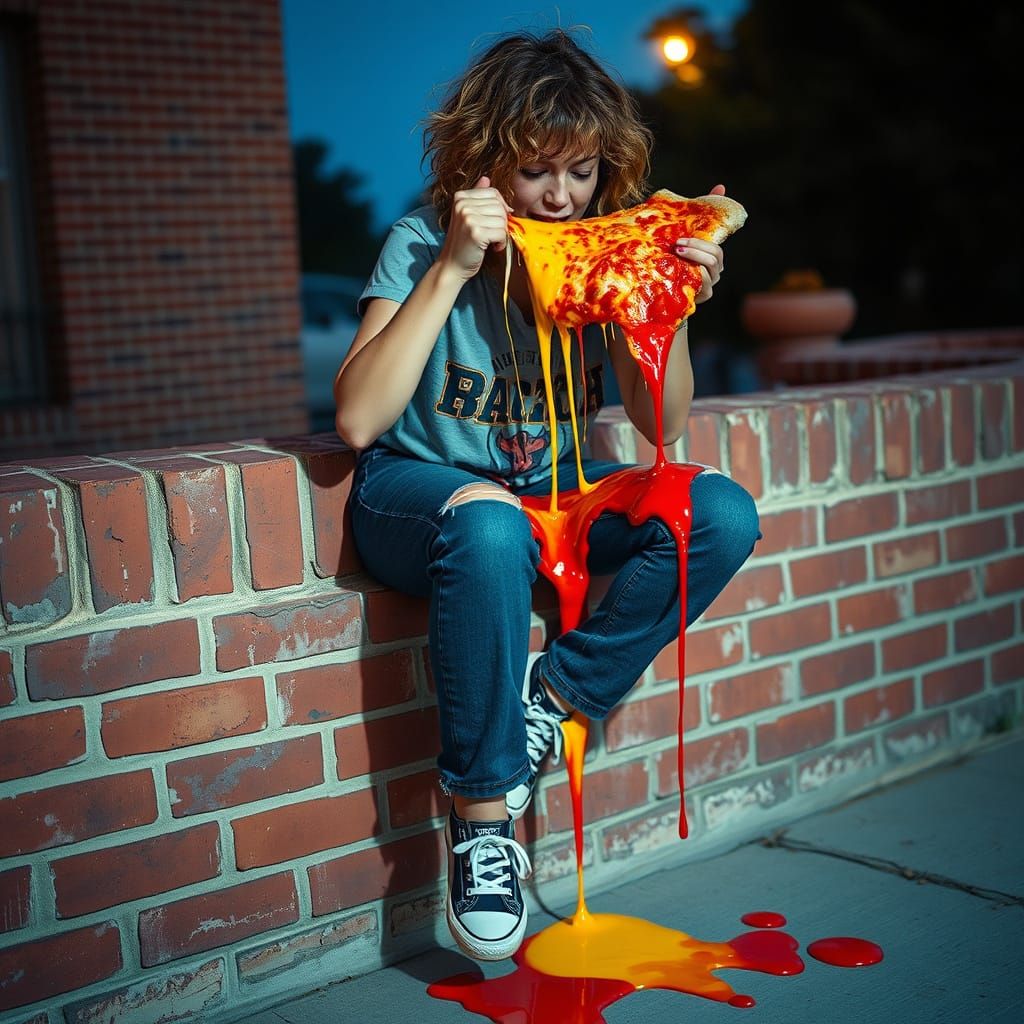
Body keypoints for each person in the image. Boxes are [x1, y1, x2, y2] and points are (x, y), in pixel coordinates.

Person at [333, 29, 760, 963]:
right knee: (487, 522)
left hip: (553, 496)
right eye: (534, 173)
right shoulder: (418, 241)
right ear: (482, 163)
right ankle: (483, 823)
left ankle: (554, 701)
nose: (560, 198)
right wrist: (450, 267)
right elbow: (360, 422)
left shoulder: (598, 257)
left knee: (717, 511)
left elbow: (661, 424)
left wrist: (664, 302)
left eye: (579, 172)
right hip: (423, 493)